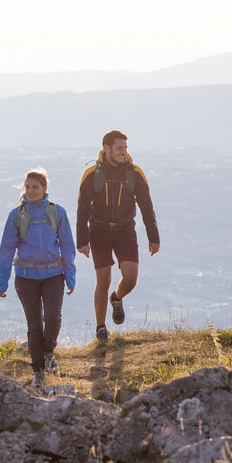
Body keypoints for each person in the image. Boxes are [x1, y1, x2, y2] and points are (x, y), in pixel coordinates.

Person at [76, 130, 160, 344]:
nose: (124, 152)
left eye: (125, 148)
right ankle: (101, 327)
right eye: (119, 148)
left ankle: (117, 298)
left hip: (125, 231)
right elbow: (82, 209)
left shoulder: (135, 173)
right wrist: (82, 241)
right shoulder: (92, 174)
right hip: (99, 231)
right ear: (107, 148)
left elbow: (147, 207)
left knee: (131, 278)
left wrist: (154, 237)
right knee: (103, 279)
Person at [0, 168, 76, 388]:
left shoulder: (57, 212)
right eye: (28, 187)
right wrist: (2, 281)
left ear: (45, 189)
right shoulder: (16, 215)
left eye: (36, 187)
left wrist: (70, 276)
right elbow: (6, 249)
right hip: (26, 278)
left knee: (52, 318)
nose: (31, 191)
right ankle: (38, 371)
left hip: (53, 275)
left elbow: (68, 247)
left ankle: (50, 351)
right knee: (34, 325)